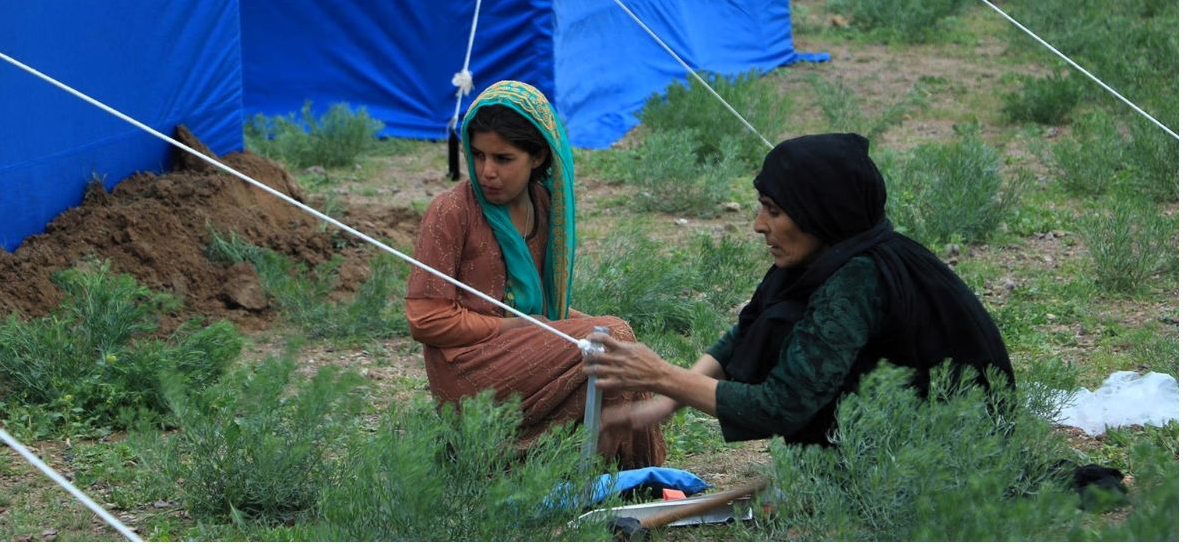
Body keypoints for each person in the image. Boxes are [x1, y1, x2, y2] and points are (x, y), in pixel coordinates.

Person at [584, 132, 1014, 446]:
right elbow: (749, 330)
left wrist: (663, 376)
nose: (758, 224)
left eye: (774, 211)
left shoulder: (858, 279)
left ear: (819, 214)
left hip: (945, 453)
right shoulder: (826, 254)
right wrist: (667, 399)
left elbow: (780, 405)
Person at [406, 79, 665, 468]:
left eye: (503, 158)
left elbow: (541, 306)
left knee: (614, 341)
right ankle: (628, 476)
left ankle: (622, 477)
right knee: (613, 338)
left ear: (539, 156)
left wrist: (563, 328)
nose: (487, 171)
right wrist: (510, 329)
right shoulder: (452, 211)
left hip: (521, 347)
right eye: (477, 155)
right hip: (467, 370)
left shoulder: (544, 204)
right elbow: (425, 319)